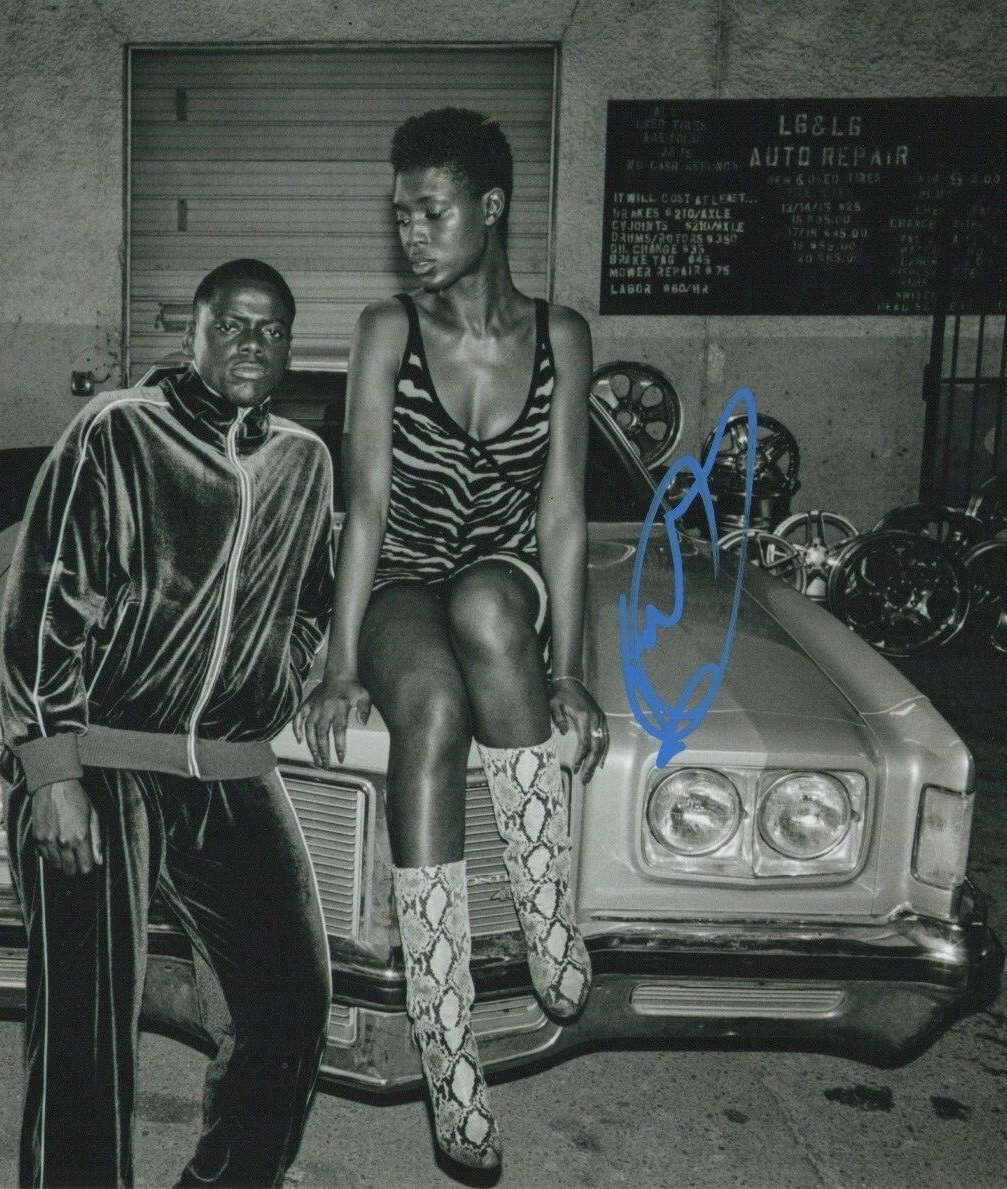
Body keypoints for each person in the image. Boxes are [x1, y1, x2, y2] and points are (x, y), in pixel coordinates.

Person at [294, 108, 608, 1172]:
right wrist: (341, 663)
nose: (412, 234)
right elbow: (366, 502)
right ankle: (449, 1050)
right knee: (428, 708)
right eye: (401, 216)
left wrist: (571, 672)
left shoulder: (564, 336)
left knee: (483, 606)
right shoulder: (388, 329)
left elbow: (563, 513)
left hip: (502, 579)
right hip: (400, 577)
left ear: (492, 207)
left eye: (431, 212)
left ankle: (547, 910)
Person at [0, 259, 334, 1188]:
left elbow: (312, 600)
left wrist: (280, 676)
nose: (252, 343)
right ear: (191, 335)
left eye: (272, 329)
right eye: (232, 324)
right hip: (100, 757)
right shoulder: (117, 432)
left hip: (229, 764)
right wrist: (52, 769)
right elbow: (44, 598)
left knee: (293, 1001)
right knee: (85, 1031)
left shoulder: (306, 461)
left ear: (290, 348)